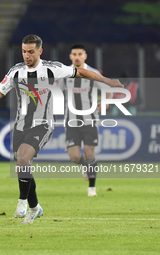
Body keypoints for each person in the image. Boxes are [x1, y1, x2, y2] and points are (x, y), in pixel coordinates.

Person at [0, 35, 122, 224]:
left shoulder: (51, 68)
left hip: (42, 124)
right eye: (24, 51)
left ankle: (22, 201)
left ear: (40, 51)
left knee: (23, 159)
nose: (27, 55)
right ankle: (35, 207)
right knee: (23, 166)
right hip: (21, 126)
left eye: (31, 52)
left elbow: (80, 72)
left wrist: (107, 81)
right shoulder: (16, 71)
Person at [57, 44, 113, 197]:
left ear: (85, 56)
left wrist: (106, 102)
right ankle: (85, 166)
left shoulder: (93, 73)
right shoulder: (64, 74)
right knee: (74, 156)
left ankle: (92, 189)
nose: (77, 57)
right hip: (71, 121)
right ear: (70, 56)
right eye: (74, 54)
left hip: (90, 120)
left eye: (80, 54)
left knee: (89, 153)